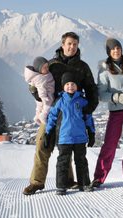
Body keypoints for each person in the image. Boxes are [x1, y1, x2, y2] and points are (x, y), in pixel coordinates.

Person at [23, 32, 99, 195]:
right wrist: (35, 93)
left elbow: (92, 89)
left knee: (69, 147)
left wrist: (88, 108)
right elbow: (37, 82)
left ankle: (69, 180)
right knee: (43, 143)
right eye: (69, 43)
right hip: (52, 111)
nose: (72, 47)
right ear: (62, 44)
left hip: (73, 113)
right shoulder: (52, 65)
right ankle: (36, 182)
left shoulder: (82, 67)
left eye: (75, 44)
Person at [91, 38, 123, 188]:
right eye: (113, 49)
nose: (116, 51)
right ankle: (99, 177)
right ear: (109, 52)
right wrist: (116, 97)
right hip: (116, 110)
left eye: (118, 48)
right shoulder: (104, 71)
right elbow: (101, 94)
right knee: (110, 144)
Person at [45, 72, 95, 195]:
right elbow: (52, 117)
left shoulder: (83, 102)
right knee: (63, 162)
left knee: (81, 161)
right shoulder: (59, 101)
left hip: (80, 138)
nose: (70, 86)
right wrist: (48, 132)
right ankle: (61, 186)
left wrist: (91, 133)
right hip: (64, 138)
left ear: (77, 86)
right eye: (67, 84)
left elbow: (88, 118)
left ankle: (84, 183)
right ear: (63, 86)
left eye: (73, 84)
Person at [24, 56, 55, 125]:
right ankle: (43, 115)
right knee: (48, 105)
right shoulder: (40, 78)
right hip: (46, 95)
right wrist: (44, 97)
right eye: (44, 67)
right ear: (39, 69)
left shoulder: (41, 75)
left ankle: (37, 116)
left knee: (39, 106)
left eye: (47, 66)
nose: (47, 69)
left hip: (42, 96)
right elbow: (41, 89)